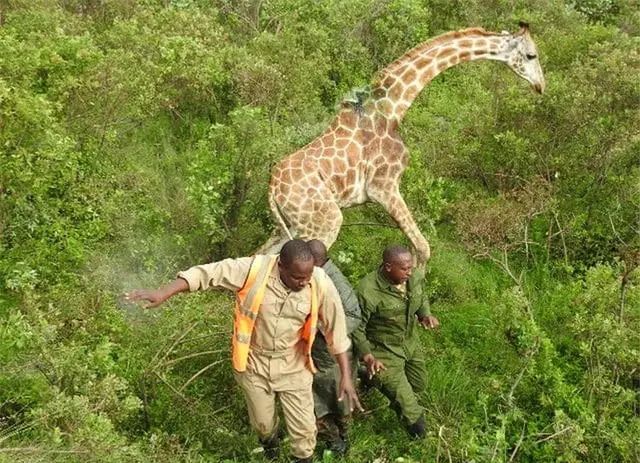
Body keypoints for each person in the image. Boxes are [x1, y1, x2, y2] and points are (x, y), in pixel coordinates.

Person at [125, 239, 362, 463]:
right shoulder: (253, 270)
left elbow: (336, 330)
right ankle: (271, 447)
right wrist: (164, 292)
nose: (303, 282)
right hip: (253, 364)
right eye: (296, 277)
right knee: (263, 425)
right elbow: (209, 273)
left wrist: (345, 377)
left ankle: (302, 457)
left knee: (304, 433)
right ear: (280, 265)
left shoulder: (319, 281)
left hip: (294, 365)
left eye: (307, 276)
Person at [351, 244, 439, 439]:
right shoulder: (367, 291)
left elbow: (420, 296)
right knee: (408, 404)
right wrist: (367, 355)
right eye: (404, 268)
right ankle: (421, 439)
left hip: (409, 343)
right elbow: (356, 327)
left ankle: (367, 377)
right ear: (388, 267)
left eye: (411, 267)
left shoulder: (413, 277)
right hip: (382, 351)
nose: (410, 272)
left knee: (418, 385)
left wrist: (425, 314)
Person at [307, 239, 361, 456]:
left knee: (338, 400)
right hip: (310, 356)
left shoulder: (335, 281)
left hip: (331, 356)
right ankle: (330, 438)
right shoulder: (305, 276)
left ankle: (344, 435)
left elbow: (354, 316)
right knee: (314, 401)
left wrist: (323, 329)